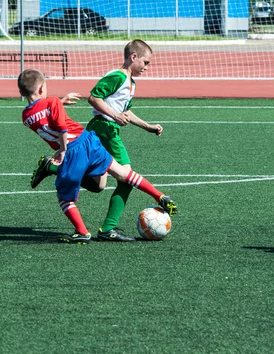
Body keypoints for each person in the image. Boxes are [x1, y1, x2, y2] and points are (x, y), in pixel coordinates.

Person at [19, 68, 177, 244]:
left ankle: (81, 231)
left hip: (74, 152)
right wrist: (62, 147)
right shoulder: (53, 102)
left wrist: (58, 105)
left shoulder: (25, 117)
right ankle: (159, 195)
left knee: (68, 196)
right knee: (122, 174)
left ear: (21, 92)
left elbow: (44, 117)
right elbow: (62, 128)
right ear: (41, 88)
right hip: (86, 142)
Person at [83, 39, 165, 242]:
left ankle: (56, 168)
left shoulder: (132, 83)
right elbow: (94, 97)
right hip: (104, 128)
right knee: (127, 178)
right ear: (133, 57)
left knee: (99, 185)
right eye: (145, 62)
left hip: (107, 129)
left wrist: (148, 126)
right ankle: (108, 228)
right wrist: (114, 115)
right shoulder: (117, 76)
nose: (147, 67)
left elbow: (125, 110)